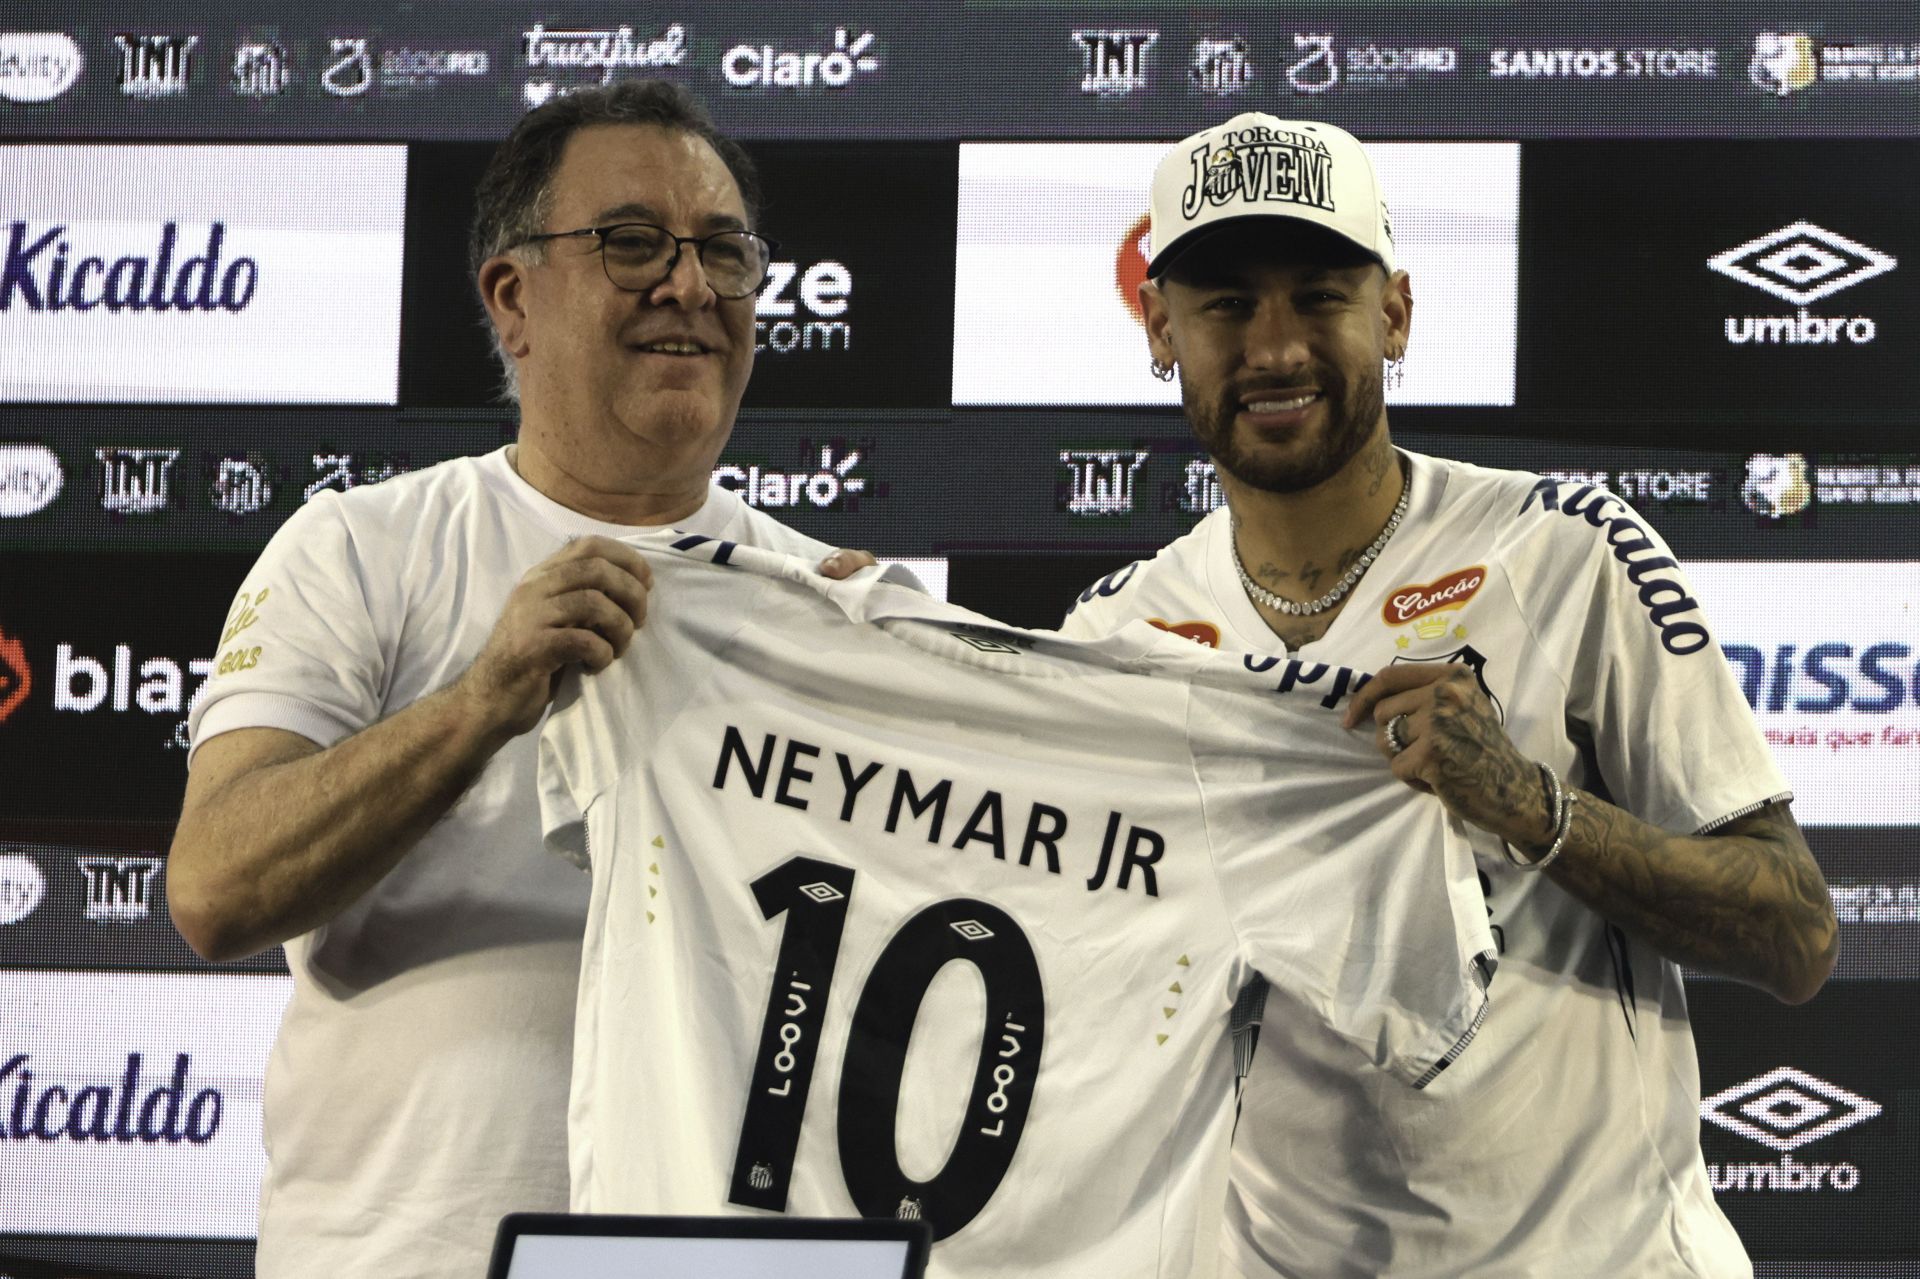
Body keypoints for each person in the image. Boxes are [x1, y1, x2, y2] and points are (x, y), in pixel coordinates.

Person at [1058, 113, 1838, 1277]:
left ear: (1397, 313)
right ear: (1162, 330)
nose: (1274, 349)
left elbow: (1797, 929)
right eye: (1226, 304)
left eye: (1320, 296)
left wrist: (1534, 808)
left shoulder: (1562, 552)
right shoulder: (1112, 637)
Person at [167, 83, 873, 1278]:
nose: (691, 287)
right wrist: (482, 700)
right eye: (634, 243)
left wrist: (890, 694)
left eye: (723, 251)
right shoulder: (360, 547)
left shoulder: (840, 611)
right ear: (513, 297)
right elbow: (216, 885)